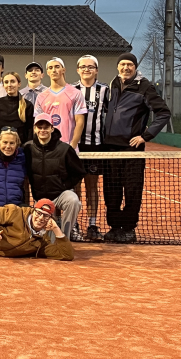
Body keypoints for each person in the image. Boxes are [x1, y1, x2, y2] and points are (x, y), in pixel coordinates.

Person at [102, 52, 171, 243]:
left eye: (130, 65)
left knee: (132, 190)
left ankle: (128, 228)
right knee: (111, 190)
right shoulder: (112, 85)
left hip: (132, 149)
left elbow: (163, 113)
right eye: (123, 64)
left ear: (135, 67)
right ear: (118, 66)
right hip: (110, 149)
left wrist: (145, 136)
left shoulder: (145, 87)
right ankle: (114, 227)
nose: (126, 67)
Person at [22, 113, 86, 241]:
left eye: (46, 127)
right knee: (47, 241)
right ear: (35, 129)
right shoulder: (27, 148)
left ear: (52, 128)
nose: (42, 130)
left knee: (73, 201)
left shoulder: (65, 149)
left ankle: (64, 238)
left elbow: (79, 172)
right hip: (40, 199)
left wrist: (64, 186)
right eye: (39, 127)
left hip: (60, 194)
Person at [73, 55, 109, 241]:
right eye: (83, 66)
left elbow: (112, 115)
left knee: (92, 186)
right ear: (77, 70)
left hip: (95, 146)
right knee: (75, 186)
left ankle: (92, 225)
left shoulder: (105, 90)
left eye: (90, 67)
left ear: (96, 70)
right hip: (75, 146)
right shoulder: (71, 90)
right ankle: (74, 224)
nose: (86, 69)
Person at [34, 58, 87, 150]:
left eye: (57, 67)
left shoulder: (75, 93)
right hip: (48, 148)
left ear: (63, 70)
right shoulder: (41, 97)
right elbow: (37, 125)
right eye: (50, 68)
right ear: (47, 72)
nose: (54, 70)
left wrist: (73, 146)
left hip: (68, 146)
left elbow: (80, 122)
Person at [0, 71, 33, 147]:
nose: (9, 85)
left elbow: (30, 130)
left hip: (19, 149)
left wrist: (26, 149)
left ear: (19, 84)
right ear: (3, 85)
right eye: (6, 82)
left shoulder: (28, 105)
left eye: (12, 81)